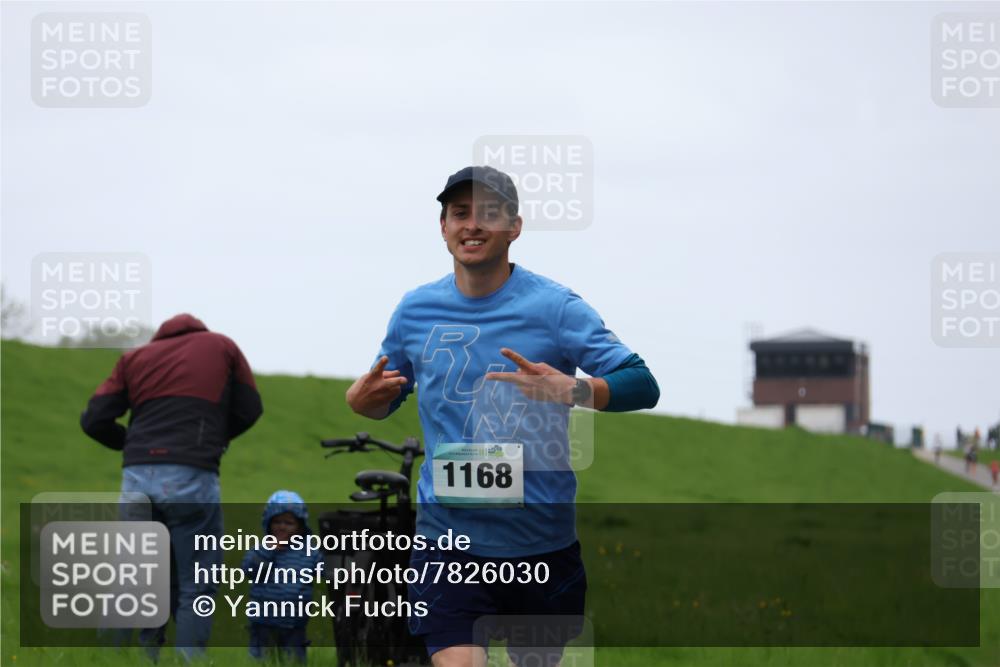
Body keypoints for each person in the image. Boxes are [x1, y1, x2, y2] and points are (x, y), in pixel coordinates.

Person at [345, 166, 660, 667]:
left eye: (489, 214)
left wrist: (573, 389)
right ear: (443, 228)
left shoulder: (555, 308)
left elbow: (642, 383)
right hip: (446, 542)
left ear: (515, 226)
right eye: (459, 213)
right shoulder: (414, 311)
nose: (472, 225)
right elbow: (386, 394)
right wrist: (363, 402)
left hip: (542, 545)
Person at [80, 313, 263, 661]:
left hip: (137, 478)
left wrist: (130, 442)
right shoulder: (222, 347)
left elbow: (94, 419)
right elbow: (251, 408)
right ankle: (189, 660)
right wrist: (214, 439)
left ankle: (107, 659)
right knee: (197, 583)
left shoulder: (134, 358)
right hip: (192, 476)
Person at [242, 490, 324, 663]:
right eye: (277, 522)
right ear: (268, 523)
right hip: (263, 620)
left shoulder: (308, 552)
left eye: (289, 523)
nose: (282, 527)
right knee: (261, 659)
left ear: (300, 526)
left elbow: (325, 569)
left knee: (294, 659)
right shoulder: (261, 549)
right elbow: (249, 569)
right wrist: (268, 550)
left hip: (295, 621)